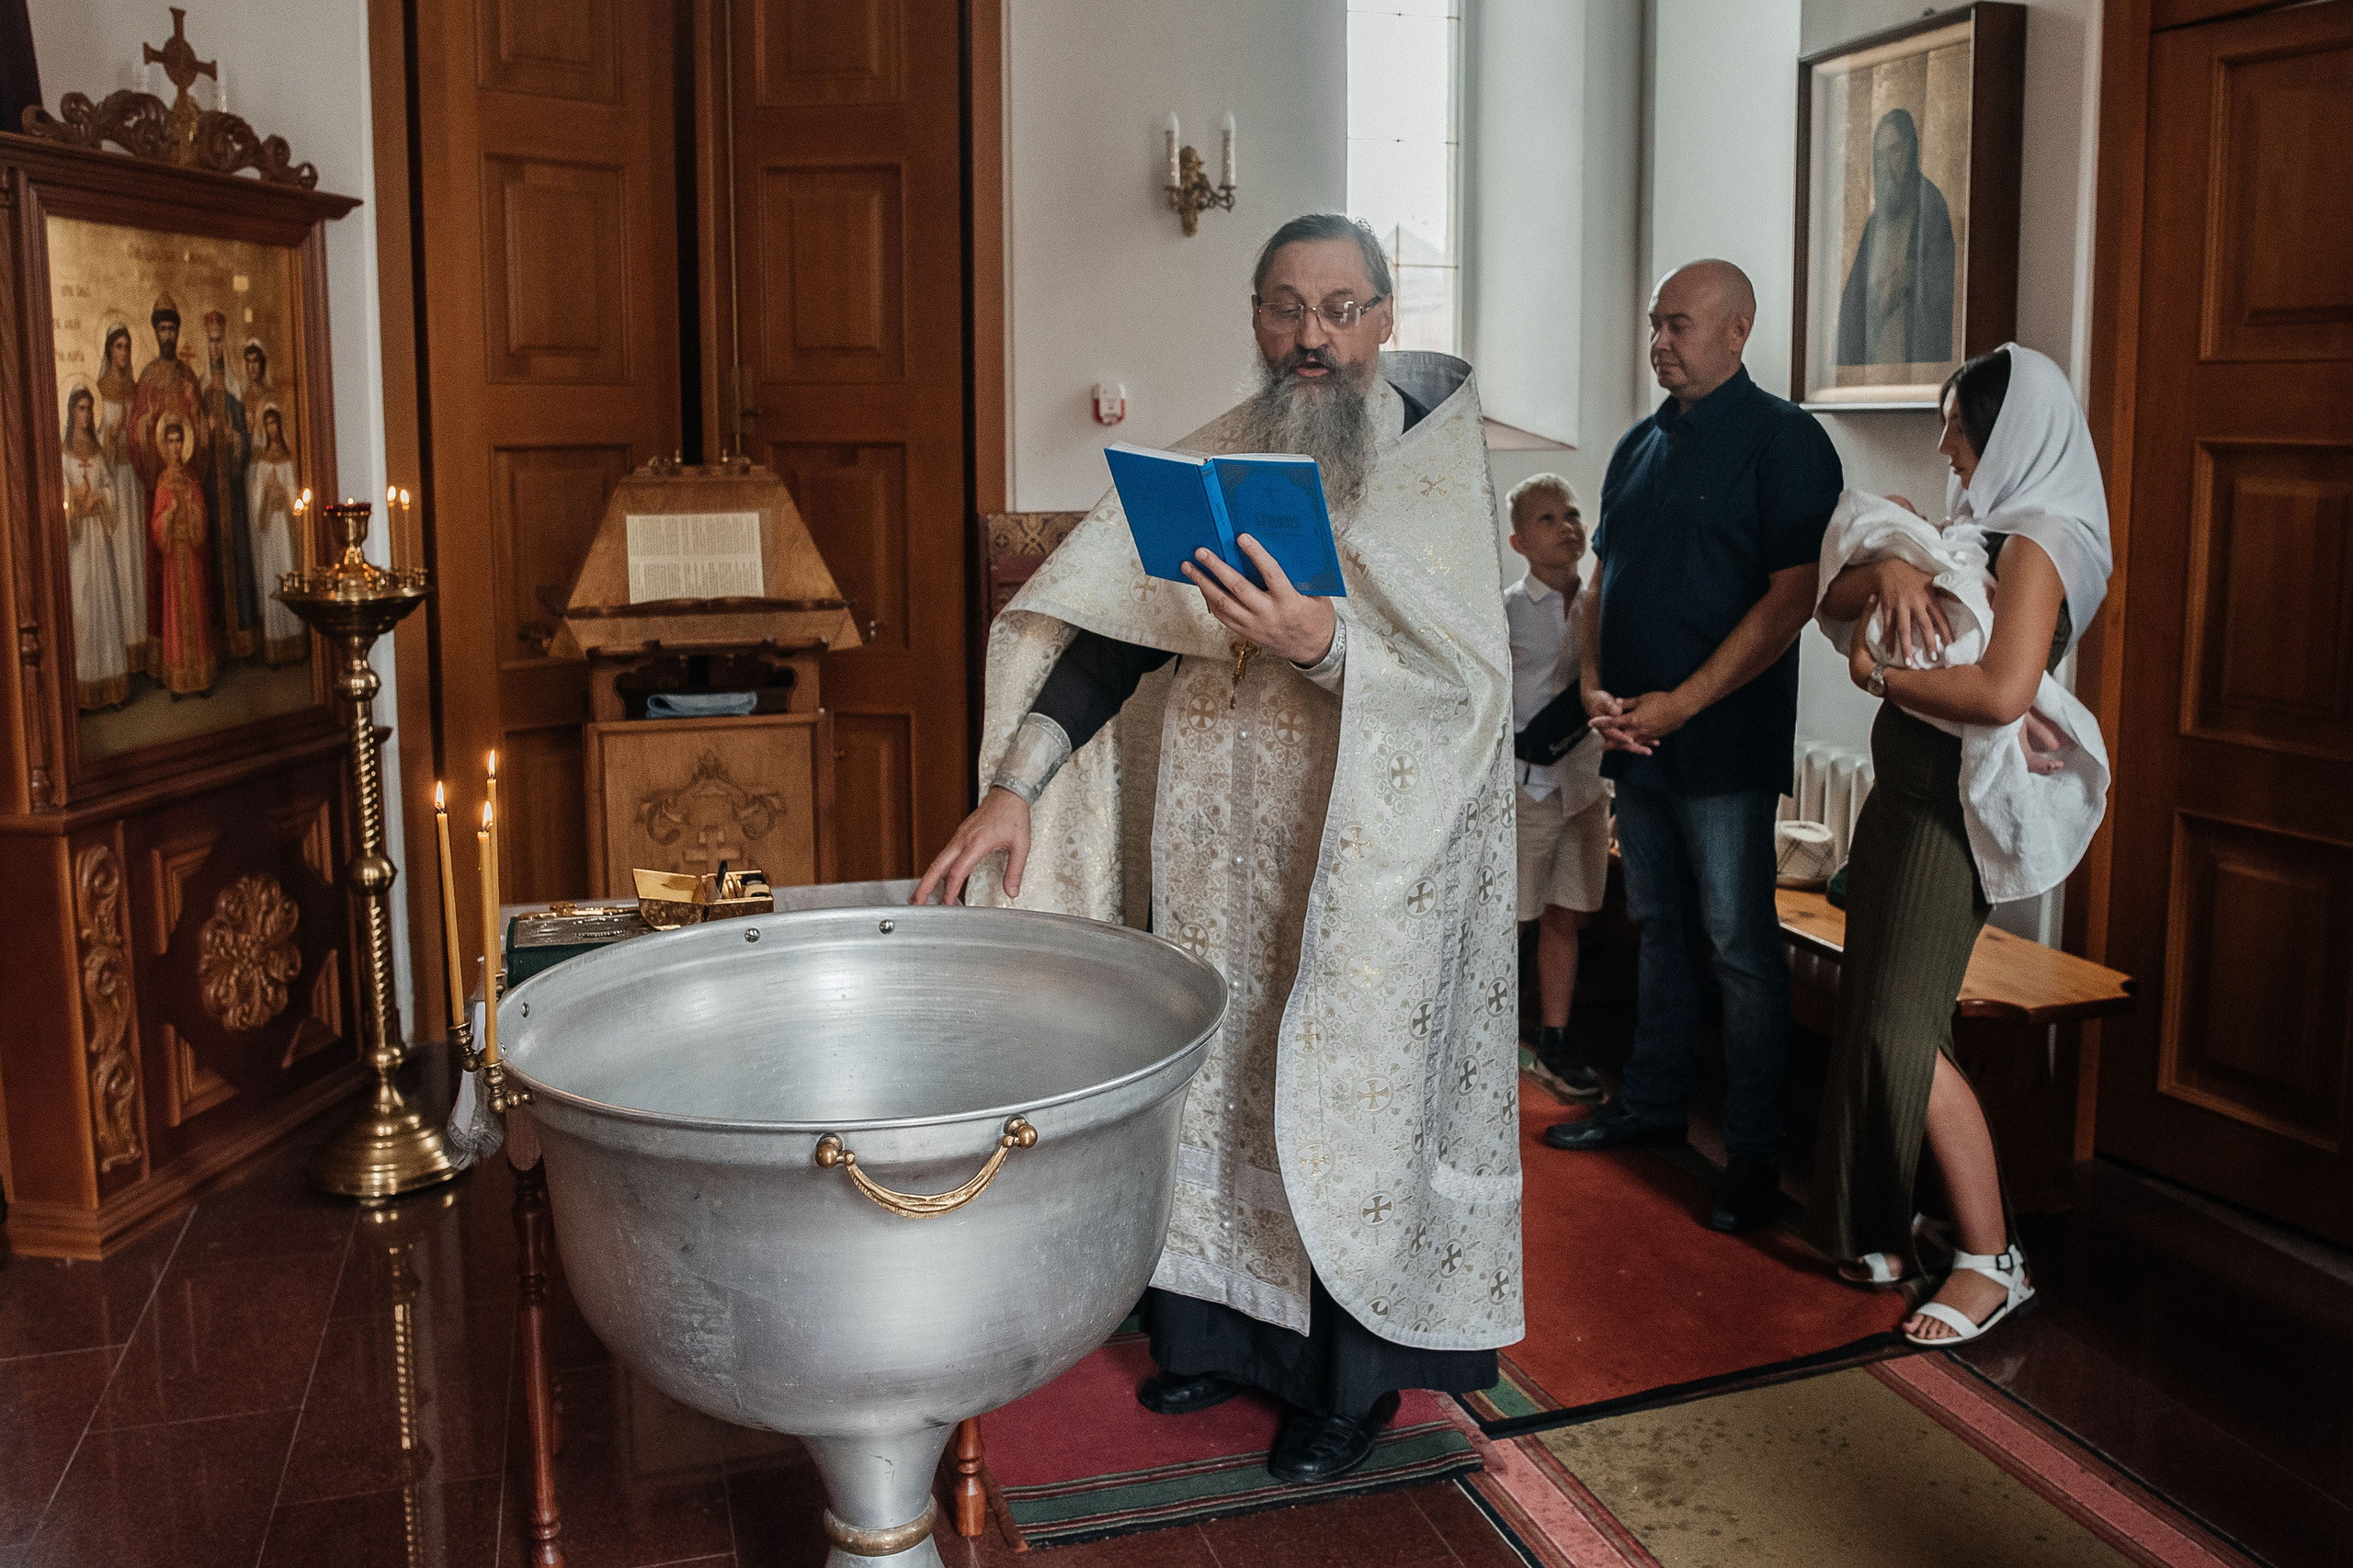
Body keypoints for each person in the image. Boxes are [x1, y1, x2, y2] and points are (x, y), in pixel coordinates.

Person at [915, 213, 1521, 1484]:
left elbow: (1471, 692)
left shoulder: (1431, 471)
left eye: (1341, 308)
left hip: (1359, 860)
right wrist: (1015, 788)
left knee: (1339, 1097)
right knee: (1221, 1071)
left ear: (1384, 317)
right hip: (1216, 843)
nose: (1313, 335)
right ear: (1254, 316)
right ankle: (1217, 1335)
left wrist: (1327, 646)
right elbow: (1110, 630)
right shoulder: (1215, 454)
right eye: (1286, 307)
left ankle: (1346, 1387)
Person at [1808, 344, 2111, 1345]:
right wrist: (1894, 562)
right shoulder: (1984, 530)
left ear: (2006, 429)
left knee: (1901, 1027)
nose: (1945, 446)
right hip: (1905, 800)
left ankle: (1993, 1258)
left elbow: (1999, 691)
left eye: (1956, 426)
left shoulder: (2042, 541)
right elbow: (1837, 596)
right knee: (1880, 1013)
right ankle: (1886, 1222)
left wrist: (1877, 678)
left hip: (1949, 815)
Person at [1542, 260, 1842, 1237]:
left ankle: (1753, 1154)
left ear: (1737, 329)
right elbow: (1601, 581)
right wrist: (1594, 687)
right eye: (1654, 324)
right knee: (1658, 927)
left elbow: (1790, 601)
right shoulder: (1639, 444)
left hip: (1723, 744)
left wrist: (1685, 704)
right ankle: (1652, 1104)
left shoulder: (1786, 442)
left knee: (1739, 947)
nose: (1659, 341)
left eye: (1678, 324)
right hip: (1636, 735)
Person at [1502, 473, 1607, 1099]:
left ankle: (1554, 1041)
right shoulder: (1508, 609)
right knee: (1513, 917)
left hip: (1584, 785)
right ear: (1518, 541)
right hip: (1527, 786)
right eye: (1547, 519)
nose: (1567, 526)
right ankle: (1486, 1040)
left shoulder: (1603, 604)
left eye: (1571, 514)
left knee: (1567, 914)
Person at [1835, 108, 1957, 367]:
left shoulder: (1931, 209)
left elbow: (1942, 294)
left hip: (1915, 366)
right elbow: (1852, 309)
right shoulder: (1875, 223)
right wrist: (1880, 303)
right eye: (1880, 155)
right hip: (1876, 365)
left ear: (1911, 151)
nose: (1887, 165)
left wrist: (1910, 279)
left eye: (1895, 150)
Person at [130, 294, 210, 669]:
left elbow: (200, 435)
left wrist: (195, 408)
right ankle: (168, 658)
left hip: (189, 483)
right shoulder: (147, 378)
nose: (167, 334)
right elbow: (135, 435)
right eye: (162, 328)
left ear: (178, 332)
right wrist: (145, 427)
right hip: (159, 487)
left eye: (172, 328)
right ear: (155, 332)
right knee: (161, 578)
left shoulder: (188, 377)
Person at [62, 383, 131, 710]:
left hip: (100, 543)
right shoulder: (63, 454)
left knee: (106, 603)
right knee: (83, 606)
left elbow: (110, 487)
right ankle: (86, 691)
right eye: (81, 409)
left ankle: (113, 687)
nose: (87, 415)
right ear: (72, 412)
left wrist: (100, 497)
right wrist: (75, 499)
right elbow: (60, 496)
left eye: (90, 409)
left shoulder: (99, 453)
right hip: (79, 543)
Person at [200, 309, 260, 661]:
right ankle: (219, 642)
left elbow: (244, 443)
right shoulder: (201, 389)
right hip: (210, 487)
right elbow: (191, 441)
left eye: (220, 341)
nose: (215, 347)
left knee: (238, 553)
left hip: (232, 489)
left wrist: (237, 440)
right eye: (211, 341)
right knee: (213, 557)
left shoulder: (235, 390)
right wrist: (206, 433)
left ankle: (245, 638)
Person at [95, 319, 151, 679]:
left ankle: (145, 649)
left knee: (140, 559)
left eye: (128, 347)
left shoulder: (136, 390)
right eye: (118, 346)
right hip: (115, 485)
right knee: (122, 561)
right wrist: (111, 438)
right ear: (109, 350)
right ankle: (125, 649)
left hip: (136, 483)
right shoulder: (100, 391)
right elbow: (93, 446)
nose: (124, 353)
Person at [148, 418, 218, 697]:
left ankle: (200, 678)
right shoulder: (163, 481)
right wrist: (170, 513)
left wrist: (191, 508)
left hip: (192, 553)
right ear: (164, 446)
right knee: (176, 611)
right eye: (171, 441)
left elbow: (203, 515)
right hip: (173, 557)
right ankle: (179, 681)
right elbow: (156, 523)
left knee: (196, 609)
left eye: (179, 441)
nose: (176, 447)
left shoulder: (192, 479)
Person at [245, 405, 308, 665]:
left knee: (288, 574)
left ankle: (295, 644)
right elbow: (256, 497)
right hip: (270, 527)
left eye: (274, 423)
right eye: (268, 424)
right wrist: (266, 492)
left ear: (280, 426)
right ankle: (276, 649)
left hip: (285, 527)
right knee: (272, 578)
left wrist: (282, 491)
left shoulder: (288, 458)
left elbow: (295, 495)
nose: (272, 428)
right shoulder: (262, 462)